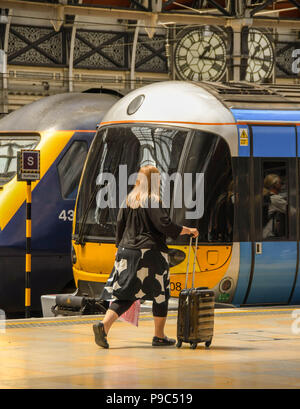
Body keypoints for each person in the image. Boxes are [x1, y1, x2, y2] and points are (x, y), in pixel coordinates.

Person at [93, 165, 199, 348]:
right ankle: (159, 336)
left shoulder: (129, 200)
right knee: (160, 294)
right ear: (156, 181)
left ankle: (103, 326)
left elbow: (119, 227)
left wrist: (118, 249)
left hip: (126, 252)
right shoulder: (152, 200)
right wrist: (188, 230)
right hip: (149, 253)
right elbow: (164, 225)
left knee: (125, 294)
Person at [262, 173, 287, 239]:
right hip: (271, 236)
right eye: (280, 183)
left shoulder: (265, 197)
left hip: (264, 234)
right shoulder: (275, 199)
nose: (282, 185)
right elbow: (294, 212)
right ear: (274, 185)